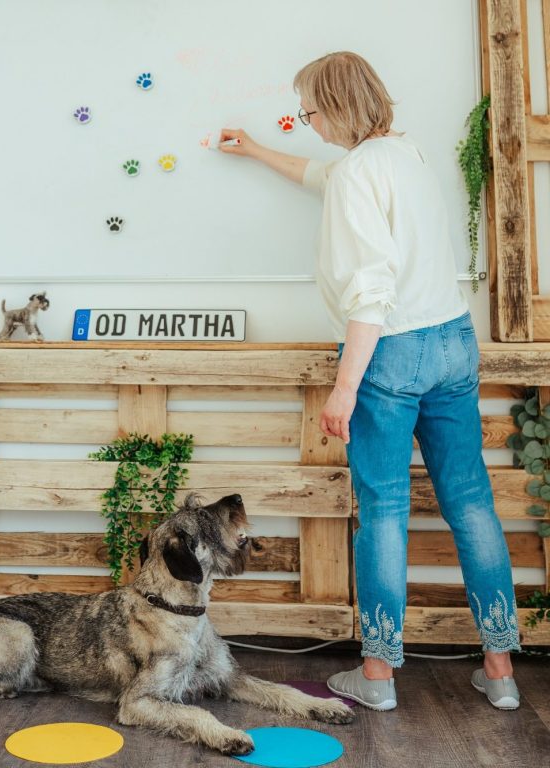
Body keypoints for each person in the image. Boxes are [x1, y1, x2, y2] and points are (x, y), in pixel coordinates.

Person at [219, 51, 521, 711]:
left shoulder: (358, 173)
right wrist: (259, 151)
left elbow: (371, 293)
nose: (308, 122)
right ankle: (500, 671)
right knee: (470, 504)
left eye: (312, 111)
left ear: (341, 106)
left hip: (390, 351)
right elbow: (324, 175)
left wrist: (345, 385)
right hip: (453, 342)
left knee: (383, 510)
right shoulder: (404, 156)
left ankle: (378, 676)